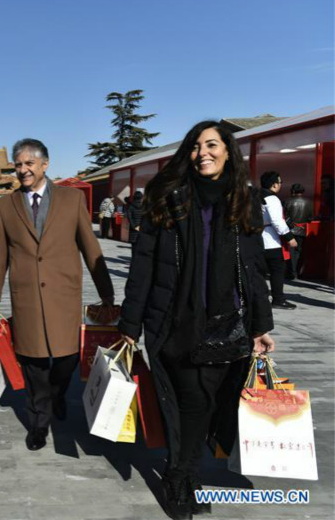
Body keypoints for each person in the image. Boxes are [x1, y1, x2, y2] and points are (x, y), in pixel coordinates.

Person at [118, 121, 274, 519]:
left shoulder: (245, 199)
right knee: (190, 400)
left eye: (212, 145)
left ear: (227, 151)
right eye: (195, 146)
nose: (203, 152)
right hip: (176, 319)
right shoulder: (167, 196)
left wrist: (262, 325)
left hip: (228, 321)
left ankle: (185, 473)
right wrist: (130, 324)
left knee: (207, 403)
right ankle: (181, 477)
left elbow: (254, 268)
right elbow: (144, 263)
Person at [0, 138, 114, 451]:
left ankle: (58, 393)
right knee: (33, 363)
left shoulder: (71, 200)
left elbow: (90, 247)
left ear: (45, 165)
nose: (23, 170)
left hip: (63, 294)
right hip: (27, 295)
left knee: (67, 357)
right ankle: (39, 422)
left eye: (29, 163)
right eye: (18, 165)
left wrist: (106, 292)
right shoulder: (6, 206)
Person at [260, 171, 297, 309]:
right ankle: (278, 299)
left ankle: (258, 298)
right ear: (274, 184)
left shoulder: (255, 196)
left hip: (258, 239)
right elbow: (277, 221)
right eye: (280, 182)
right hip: (272, 240)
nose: (280, 185)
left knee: (259, 272)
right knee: (277, 271)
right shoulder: (272, 199)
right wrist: (290, 238)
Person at [283, 183, 313, 280]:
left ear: (293, 191)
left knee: (290, 251)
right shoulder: (309, 202)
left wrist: (291, 225)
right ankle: (296, 272)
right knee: (298, 251)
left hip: (289, 230)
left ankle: (292, 272)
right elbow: (310, 218)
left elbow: (284, 216)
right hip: (302, 230)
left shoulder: (287, 201)